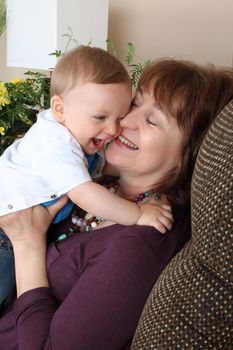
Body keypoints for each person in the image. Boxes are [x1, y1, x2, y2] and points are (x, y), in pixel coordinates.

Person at [0, 58, 233, 350]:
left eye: (152, 120)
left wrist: (27, 245)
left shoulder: (139, 246)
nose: (124, 121)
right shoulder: (106, 184)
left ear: (187, 155)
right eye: (135, 103)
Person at [0, 46, 173, 310]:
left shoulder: (77, 131)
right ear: (59, 108)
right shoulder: (57, 145)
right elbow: (84, 194)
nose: (114, 128)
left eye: (120, 116)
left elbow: (102, 168)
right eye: (100, 117)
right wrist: (138, 214)